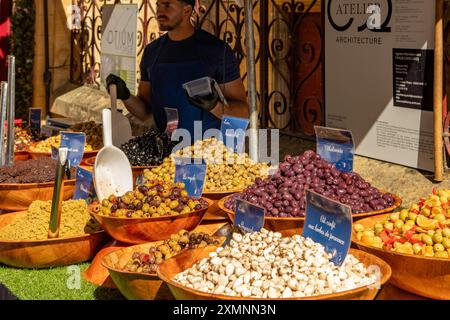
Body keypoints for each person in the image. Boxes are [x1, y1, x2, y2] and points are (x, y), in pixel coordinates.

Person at [106, 0, 248, 139]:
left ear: (187, 10)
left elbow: (243, 112)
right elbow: (145, 113)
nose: (159, 11)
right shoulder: (152, 52)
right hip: (167, 153)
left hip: (208, 153)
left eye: (167, 5)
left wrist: (215, 107)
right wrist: (126, 96)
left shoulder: (216, 51)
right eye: (158, 5)